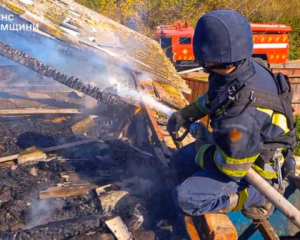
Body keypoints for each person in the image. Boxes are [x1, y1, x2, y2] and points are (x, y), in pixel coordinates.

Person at [167, 9, 297, 220]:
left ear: (208, 59)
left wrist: (201, 144)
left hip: (255, 170)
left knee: (185, 199)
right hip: (235, 146)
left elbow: (232, 168)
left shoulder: (242, 114)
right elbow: (214, 97)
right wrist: (186, 114)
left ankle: (256, 198)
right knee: (178, 161)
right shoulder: (241, 66)